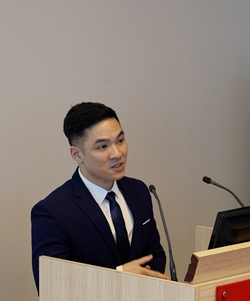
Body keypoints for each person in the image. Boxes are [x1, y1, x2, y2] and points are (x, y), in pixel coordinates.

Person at [31, 102, 168, 290]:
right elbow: (51, 287)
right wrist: (119, 275)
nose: (117, 153)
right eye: (103, 146)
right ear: (77, 155)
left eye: (120, 140)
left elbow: (155, 255)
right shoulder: (53, 212)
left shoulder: (139, 191)